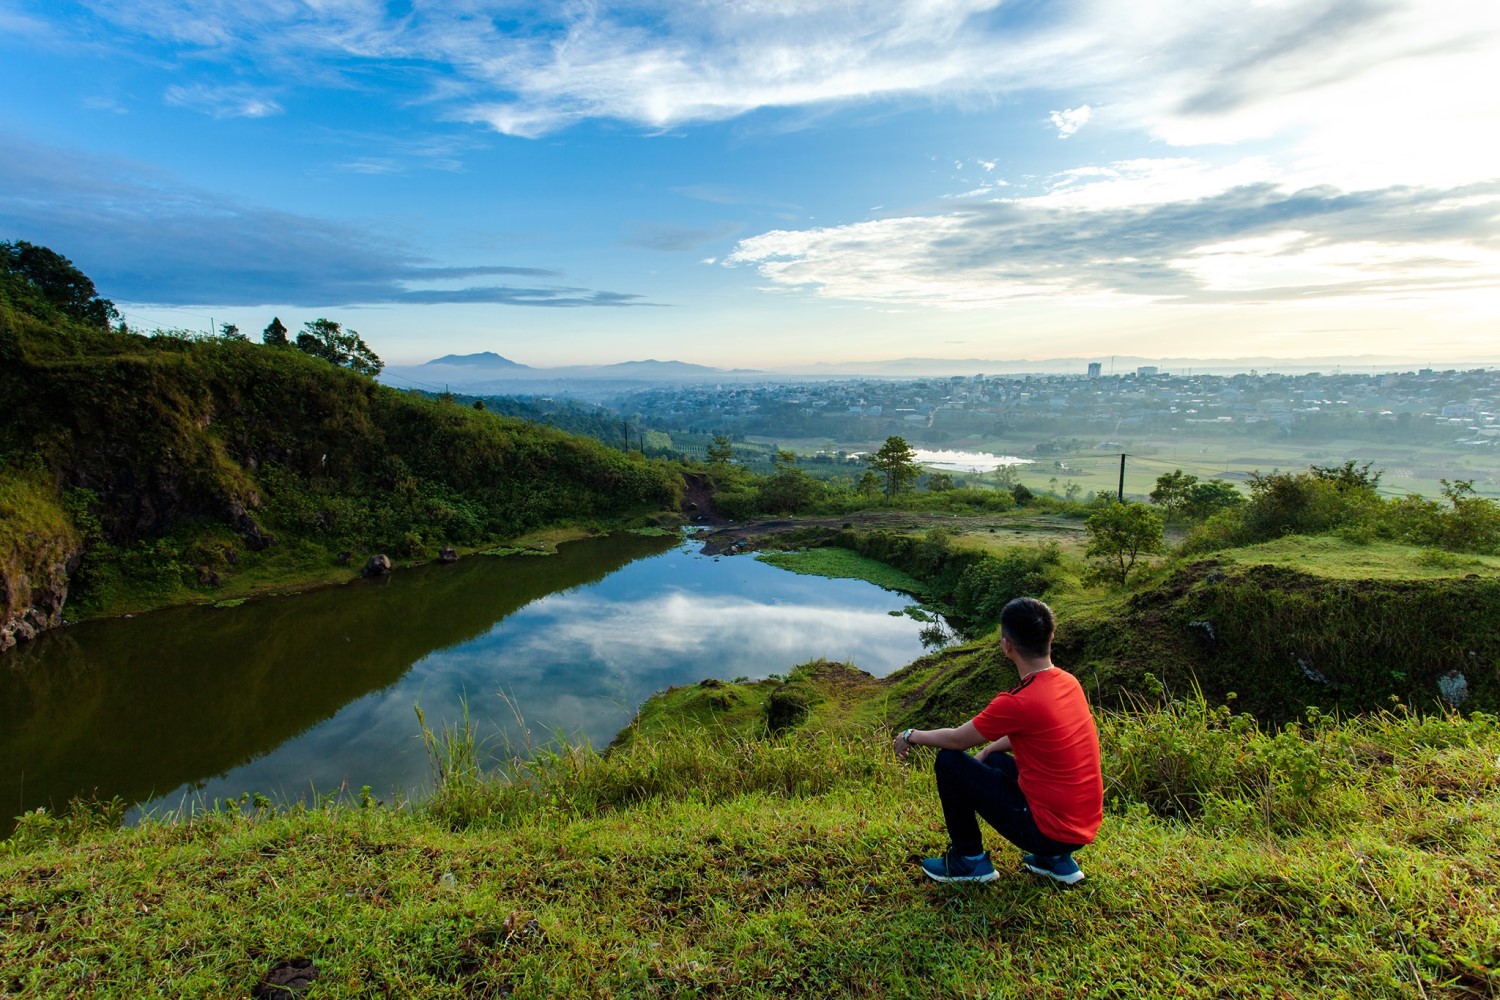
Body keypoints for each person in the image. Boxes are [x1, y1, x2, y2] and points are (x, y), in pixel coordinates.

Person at [894, 596, 1102, 885]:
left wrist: (910, 736)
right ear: (1051, 636)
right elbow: (1036, 733)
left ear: (1007, 646)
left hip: (1047, 830)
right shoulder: (1069, 682)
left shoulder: (1018, 702)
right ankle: (1055, 861)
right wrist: (991, 747)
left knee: (948, 762)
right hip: (1080, 825)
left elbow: (956, 740)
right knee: (992, 759)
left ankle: (969, 861)